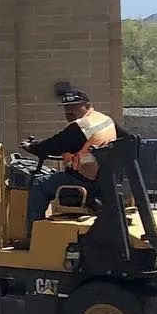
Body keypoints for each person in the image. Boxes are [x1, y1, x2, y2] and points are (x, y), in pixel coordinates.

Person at [22, 88, 117, 226]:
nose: (69, 111)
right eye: (66, 107)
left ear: (87, 105)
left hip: (84, 182)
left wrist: (32, 147)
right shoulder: (104, 119)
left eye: (74, 107)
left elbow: (52, 145)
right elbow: (66, 145)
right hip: (103, 180)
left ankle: (32, 235)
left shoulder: (81, 127)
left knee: (39, 183)